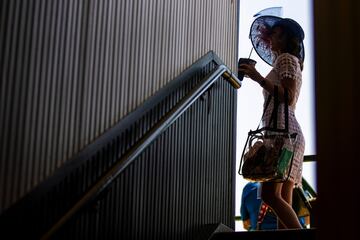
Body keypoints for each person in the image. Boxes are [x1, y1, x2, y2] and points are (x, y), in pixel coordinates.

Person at [239, 16, 306, 229]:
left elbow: (288, 95)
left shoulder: (285, 59)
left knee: (270, 195)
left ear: (287, 39)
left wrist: (258, 77)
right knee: (282, 202)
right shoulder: (288, 60)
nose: (271, 38)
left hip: (281, 134)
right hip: (288, 134)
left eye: (276, 34)